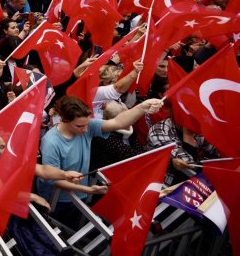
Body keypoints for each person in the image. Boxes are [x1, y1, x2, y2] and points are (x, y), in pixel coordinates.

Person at [37, 95, 163, 226]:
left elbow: (118, 123)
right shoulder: (51, 142)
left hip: (81, 192)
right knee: (61, 228)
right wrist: (89, 190)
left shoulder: (86, 125)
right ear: (64, 120)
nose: (86, 129)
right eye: (80, 126)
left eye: (87, 124)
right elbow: (54, 179)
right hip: (58, 199)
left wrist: (142, 107)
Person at [0, 130, 83, 256]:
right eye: (2, 147)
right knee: (29, 239)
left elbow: (42, 170)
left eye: (10, 145)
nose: (8, 151)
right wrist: (32, 197)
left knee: (40, 236)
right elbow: (1, 191)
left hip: (21, 206)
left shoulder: (16, 157)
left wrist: (65, 174)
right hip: (1, 210)